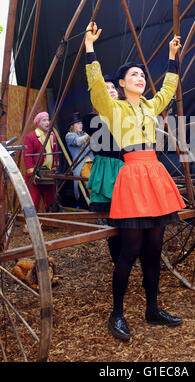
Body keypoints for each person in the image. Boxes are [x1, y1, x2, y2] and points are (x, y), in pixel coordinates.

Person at [85, 21, 186, 341]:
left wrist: (172, 56)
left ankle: (152, 309)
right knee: (130, 250)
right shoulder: (112, 108)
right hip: (132, 177)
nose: (140, 78)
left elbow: (168, 88)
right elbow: (97, 85)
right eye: (134, 75)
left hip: (155, 175)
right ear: (122, 83)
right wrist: (89, 47)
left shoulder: (151, 107)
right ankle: (117, 314)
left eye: (143, 75)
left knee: (154, 249)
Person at [86, 74, 124, 264]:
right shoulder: (92, 119)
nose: (111, 91)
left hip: (126, 167)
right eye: (106, 88)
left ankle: (129, 254)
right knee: (113, 218)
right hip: (108, 169)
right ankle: (118, 258)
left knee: (130, 215)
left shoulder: (126, 112)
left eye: (113, 88)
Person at [23, 111, 59, 213]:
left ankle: (51, 224)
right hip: (36, 175)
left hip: (48, 174)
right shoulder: (31, 137)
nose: (47, 122)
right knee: (33, 202)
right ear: (38, 123)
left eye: (48, 120)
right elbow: (27, 157)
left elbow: (55, 153)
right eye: (44, 120)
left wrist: (55, 168)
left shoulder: (52, 135)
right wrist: (32, 174)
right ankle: (30, 226)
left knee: (51, 200)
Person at [65, 112, 94, 202]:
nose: (80, 125)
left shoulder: (84, 134)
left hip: (93, 161)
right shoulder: (69, 136)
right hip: (82, 164)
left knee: (97, 183)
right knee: (90, 185)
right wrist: (90, 134)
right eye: (78, 123)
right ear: (72, 126)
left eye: (81, 123)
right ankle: (95, 204)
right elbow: (78, 141)